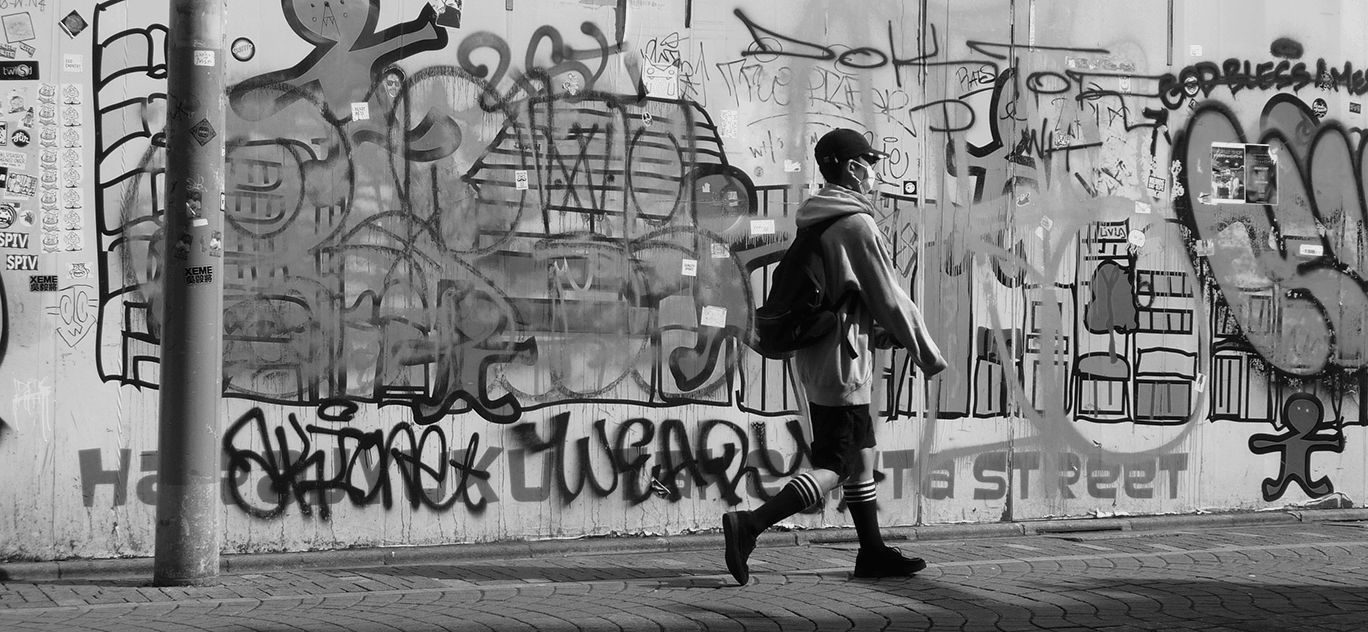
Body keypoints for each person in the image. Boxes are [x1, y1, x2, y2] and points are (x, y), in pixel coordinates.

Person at [724, 128, 949, 585]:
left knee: (859, 455)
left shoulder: (818, 219)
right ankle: (750, 524)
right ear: (851, 168)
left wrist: (879, 335)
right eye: (869, 163)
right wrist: (927, 353)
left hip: (826, 359)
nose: (874, 172)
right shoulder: (854, 225)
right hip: (843, 367)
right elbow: (889, 297)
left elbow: (847, 298)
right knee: (836, 466)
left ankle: (872, 553)